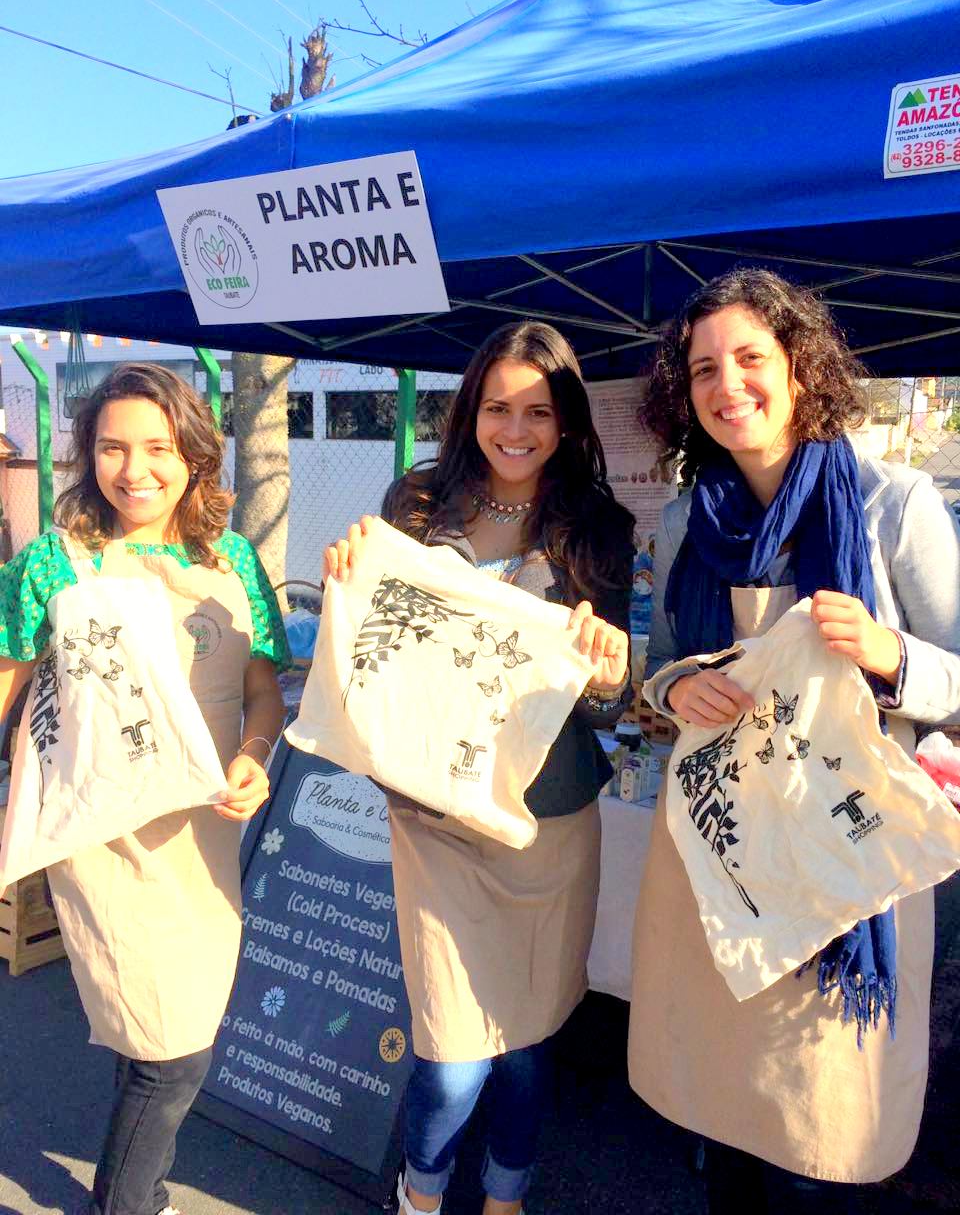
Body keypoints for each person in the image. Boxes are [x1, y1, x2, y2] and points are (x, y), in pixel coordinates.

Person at [631, 268, 960, 1213]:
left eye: (748, 358)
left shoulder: (892, 505)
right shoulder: (691, 517)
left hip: (843, 856)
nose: (726, 384)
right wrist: (679, 683)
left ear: (802, 367)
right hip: (726, 849)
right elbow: (659, 667)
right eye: (701, 369)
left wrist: (894, 656)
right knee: (730, 1109)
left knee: (818, 1124)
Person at [325, 321, 635, 1215]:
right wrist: (348, 575)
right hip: (435, 819)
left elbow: (605, 701)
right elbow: (379, 638)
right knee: (453, 1052)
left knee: (527, 1041)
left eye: (538, 411)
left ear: (567, 423)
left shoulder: (597, 529)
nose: (516, 428)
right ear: (471, 409)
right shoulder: (417, 502)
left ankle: (506, 1199)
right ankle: (419, 1198)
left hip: (548, 823)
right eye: (498, 406)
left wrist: (611, 673)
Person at [0, 363, 289, 1215]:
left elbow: (264, 688)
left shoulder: (233, 557)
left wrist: (257, 754)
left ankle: (144, 1191)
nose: (136, 470)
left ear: (195, 454)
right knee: (173, 1053)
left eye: (159, 448)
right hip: (106, 836)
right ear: (86, 456)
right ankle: (126, 1205)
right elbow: (10, 681)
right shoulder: (53, 564)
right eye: (112, 448)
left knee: (166, 1031)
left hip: (204, 837)